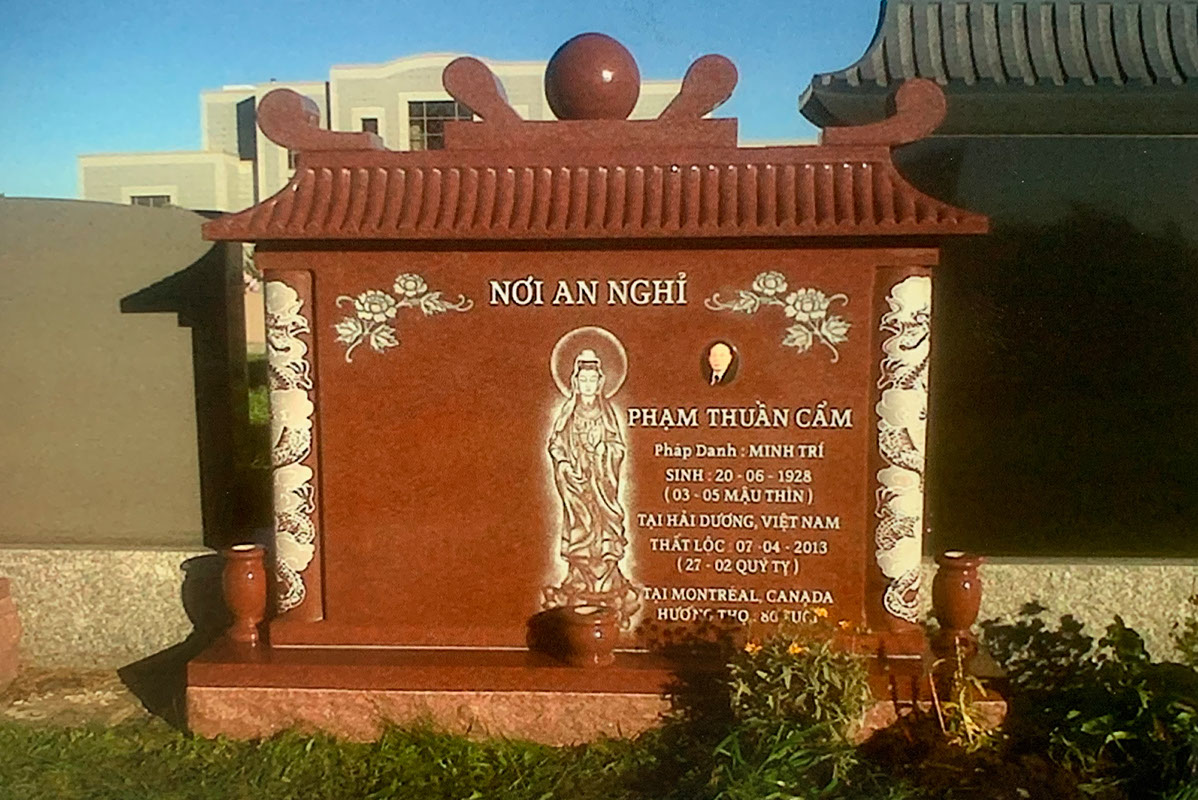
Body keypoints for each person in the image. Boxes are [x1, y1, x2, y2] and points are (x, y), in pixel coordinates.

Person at [543, 349, 641, 629]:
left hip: (601, 482)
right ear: (575, 382)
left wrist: (603, 454)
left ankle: (607, 582)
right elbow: (556, 444)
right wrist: (565, 465)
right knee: (581, 527)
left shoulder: (606, 413)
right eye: (583, 380)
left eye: (592, 380)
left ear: (600, 383)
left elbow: (617, 446)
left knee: (604, 529)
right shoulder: (568, 413)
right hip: (576, 485)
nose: (587, 385)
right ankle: (579, 580)